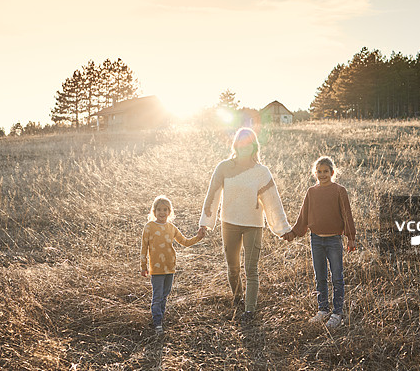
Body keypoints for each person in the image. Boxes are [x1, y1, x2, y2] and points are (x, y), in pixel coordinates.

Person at [198, 127, 293, 322]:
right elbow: (212, 195)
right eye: (240, 142)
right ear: (235, 145)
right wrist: (205, 223)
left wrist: (282, 228)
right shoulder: (224, 167)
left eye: (248, 142)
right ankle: (238, 297)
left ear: (254, 146)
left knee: (251, 269)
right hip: (229, 223)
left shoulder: (261, 172)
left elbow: (272, 201)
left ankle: (250, 310)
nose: (244, 146)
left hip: (253, 225)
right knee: (233, 268)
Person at [284, 156, 356, 329]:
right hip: (316, 239)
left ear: (332, 172)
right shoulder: (311, 192)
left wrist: (351, 237)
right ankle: (323, 309)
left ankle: (337, 313)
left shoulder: (339, 190)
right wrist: (293, 233)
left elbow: (347, 215)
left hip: (333, 240)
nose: (322, 175)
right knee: (320, 276)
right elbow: (304, 215)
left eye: (326, 171)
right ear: (314, 173)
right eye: (319, 172)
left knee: (337, 277)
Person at [140, 195, 205, 334]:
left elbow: (185, 242)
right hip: (156, 269)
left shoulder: (171, 227)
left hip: (170, 267)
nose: (162, 213)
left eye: (165, 209)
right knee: (157, 296)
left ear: (169, 212)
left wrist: (198, 237)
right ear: (154, 211)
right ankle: (157, 323)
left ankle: (161, 318)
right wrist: (143, 266)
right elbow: (144, 248)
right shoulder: (149, 227)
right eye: (159, 210)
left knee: (165, 295)